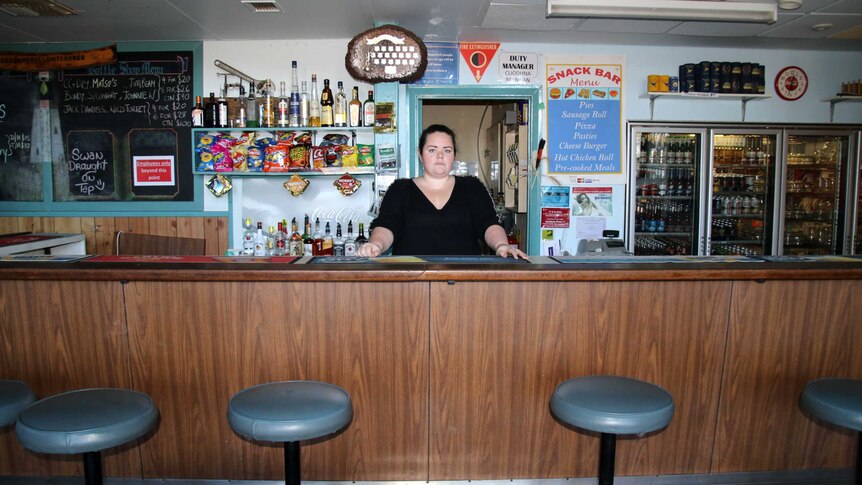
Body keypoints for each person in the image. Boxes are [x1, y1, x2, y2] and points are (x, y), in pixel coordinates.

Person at [356, 124, 526, 259]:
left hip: (464, 281)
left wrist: (501, 245)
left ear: (454, 155)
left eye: (446, 150)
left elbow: (489, 224)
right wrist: (376, 245)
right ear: (420, 155)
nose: (440, 156)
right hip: (412, 282)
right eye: (432, 150)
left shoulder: (472, 186)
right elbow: (386, 226)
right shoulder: (400, 189)